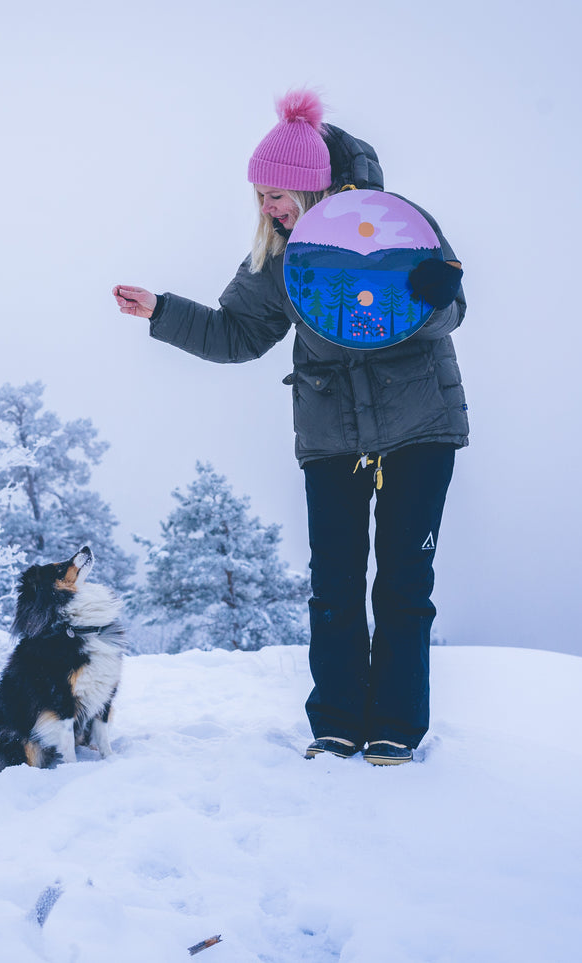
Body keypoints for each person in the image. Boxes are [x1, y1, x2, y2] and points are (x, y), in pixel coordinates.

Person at [112, 89, 468, 766]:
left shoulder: (397, 225)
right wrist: (161, 310)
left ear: (311, 185)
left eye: (276, 195)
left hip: (420, 426)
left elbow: (449, 313)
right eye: (260, 197)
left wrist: (432, 293)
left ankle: (395, 727)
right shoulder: (281, 257)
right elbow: (236, 334)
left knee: (402, 582)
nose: (267, 208)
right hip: (331, 436)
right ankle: (336, 724)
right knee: (333, 585)